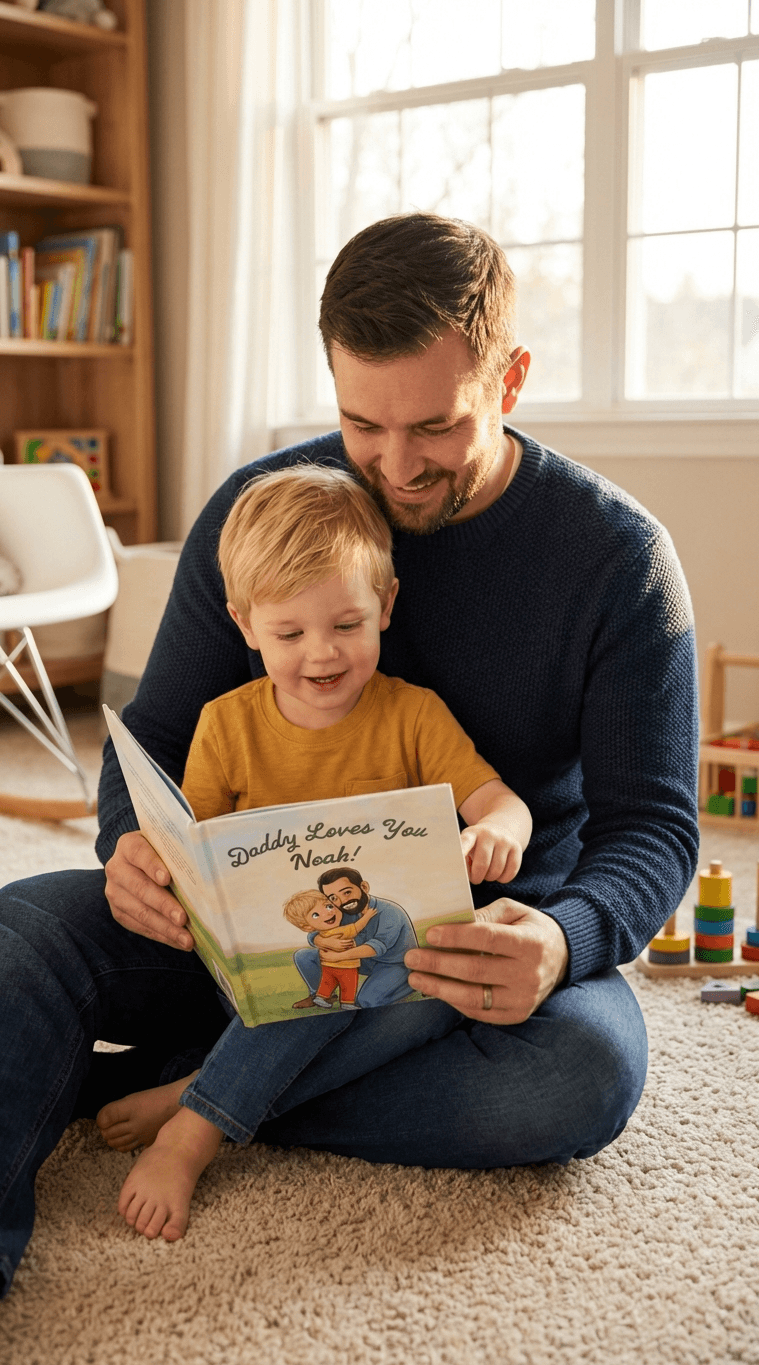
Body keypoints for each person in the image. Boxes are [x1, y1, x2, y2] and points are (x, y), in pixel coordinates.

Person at [0, 212, 699, 1298]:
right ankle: (232, 1072)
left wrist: (563, 942)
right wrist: (132, 845)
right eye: (360, 422)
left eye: (435, 427)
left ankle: (205, 1095)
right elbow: (158, 738)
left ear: (510, 379)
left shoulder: (617, 560)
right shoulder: (262, 512)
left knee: (581, 1076)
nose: (393, 465)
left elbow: (654, 826)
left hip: (462, 962)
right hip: (236, 928)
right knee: (20, 938)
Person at [108, 461, 532, 1240]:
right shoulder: (226, 726)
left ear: (387, 606)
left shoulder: (413, 715)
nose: (322, 655)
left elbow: (497, 799)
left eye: (347, 625)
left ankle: (196, 1101)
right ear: (243, 625)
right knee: (315, 986)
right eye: (289, 633)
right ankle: (200, 1123)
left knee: (442, 994)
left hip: (394, 979)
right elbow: (193, 849)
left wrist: (498, 828)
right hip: (268, 977)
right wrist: (160, 865)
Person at [283, 887, 377, 1010]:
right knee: (346, 983)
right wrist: (323, 941)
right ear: (306, 926)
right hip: (341, 964)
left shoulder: (332, 924)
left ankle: (328, 998)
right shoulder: (336, 925)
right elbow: (353, 928)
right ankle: (332, 999)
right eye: (316, 914)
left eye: (328, 906)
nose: (328, 912)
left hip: (351, 961)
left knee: (334, 983)